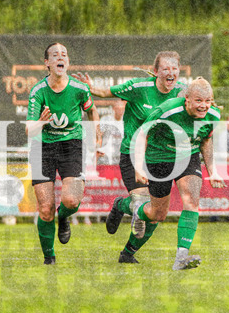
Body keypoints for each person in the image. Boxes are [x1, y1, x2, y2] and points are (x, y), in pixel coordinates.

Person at [73, 51, 184, 264]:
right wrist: (89, 86)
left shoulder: (181, 92)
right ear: (155, 71)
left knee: (156, 215)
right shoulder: (138, 88)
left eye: (174, 68)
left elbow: (198, 103)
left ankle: (127, 252)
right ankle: (123, 206)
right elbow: (104, 92)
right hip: (133, 154)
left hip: (160, 157)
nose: (171, 72)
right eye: (166, 69)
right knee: (142, 202)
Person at [128, 78, 225, 270]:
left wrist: (213, 171)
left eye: (208, 101)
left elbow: (206, 141)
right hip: (159, 157)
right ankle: (136, 209)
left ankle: (181, 257)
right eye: (199, 101)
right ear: (187, 99)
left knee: (192, 201)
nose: (203, 106)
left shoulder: (213, 114)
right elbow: (142, 134)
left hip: (188, 156)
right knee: (158, 213)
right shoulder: (168, 110)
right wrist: (138, 166)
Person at [26, 42, 100, 265]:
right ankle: (49, 258)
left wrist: (97, 137)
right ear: (47, 63)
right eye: (55, 54)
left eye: (64, 54)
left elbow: (92, 111)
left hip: (72, 145)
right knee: (45, 209)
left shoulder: (79, 88)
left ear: (67, 62)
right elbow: (29, 130)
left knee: (70, 199)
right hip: (42, 147)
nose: (61, 57)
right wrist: (40, 122)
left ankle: (65, 216)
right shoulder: (38, 91)